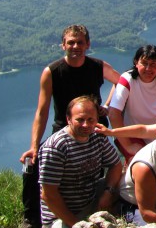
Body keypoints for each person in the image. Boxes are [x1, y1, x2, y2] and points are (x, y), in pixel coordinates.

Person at [20, 24, 121, 228]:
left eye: (80, 42)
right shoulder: (52, 71)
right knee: (36, 166)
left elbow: (121, 83)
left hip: (95, 130)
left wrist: (108, 106)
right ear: (62, 45)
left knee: (94, 171)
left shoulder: (97, 66)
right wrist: (34, 145)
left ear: (88, 44)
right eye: (71, 42)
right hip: (63, 128)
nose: (75, 46)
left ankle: (92, 212)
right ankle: (31, 219)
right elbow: (42, 110)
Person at [38, 96, 122, 228]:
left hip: (90, 199)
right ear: (68, 119)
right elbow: (48, 194)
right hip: (60, 215)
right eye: (80, 120)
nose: (86, 125)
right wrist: (77, 224)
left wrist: (108, 192)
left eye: (90, 120)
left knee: (128, 182)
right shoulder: (56, 147)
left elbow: (116, 165)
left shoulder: (97, 136)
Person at [108, 45, 156, 163]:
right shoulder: (128, 79)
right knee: (140, 164)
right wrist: (128, 146)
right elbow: (113, 113)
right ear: (136, 62)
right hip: (131, 134)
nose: (148, 68)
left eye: (153, 64)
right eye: (144, 63)